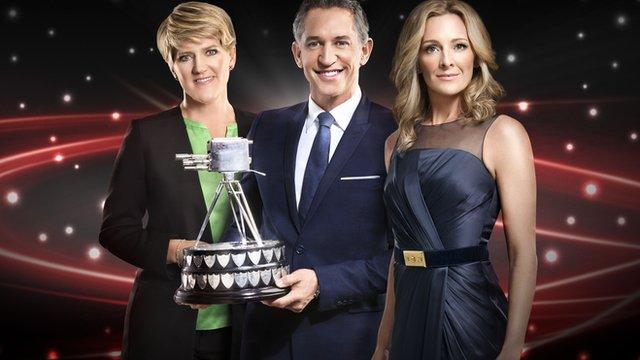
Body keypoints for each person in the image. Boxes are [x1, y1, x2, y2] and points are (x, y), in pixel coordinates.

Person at [223, 0, 396, 359]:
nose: (327, 57)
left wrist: (323, 283)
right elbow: (242, 220)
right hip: (264, 340)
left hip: (352, 340)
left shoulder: (395, 133)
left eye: (341, 42)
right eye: (314, 43)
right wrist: (219, 275)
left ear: (364, 51)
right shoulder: (268, 126)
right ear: (297, 53)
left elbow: (407, 255)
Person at [373, 0, 537, 359]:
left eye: (459, 46)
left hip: (469, 310)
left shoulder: (502, 134)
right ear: (416, 60)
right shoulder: (394, 145)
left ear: (475, 55)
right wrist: (383, 342)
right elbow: (399, 255)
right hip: (408, 314)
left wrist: (513, 347)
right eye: (432, 48)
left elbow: (523, 253)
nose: (447, 60)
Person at [99, 2, 253, 359]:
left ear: (230, 55)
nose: (200, 67)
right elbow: (115, 229)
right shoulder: (147, 136)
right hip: (168, 324)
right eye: (185, 56)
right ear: (172, 65)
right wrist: (178, 251)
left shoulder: (266, 129)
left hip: (248, 327)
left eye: (211, 51)